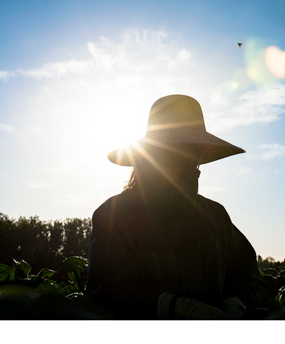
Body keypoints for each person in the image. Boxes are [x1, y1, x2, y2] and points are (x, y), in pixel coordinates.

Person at [88, 95, 275, 319]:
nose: (185, 166)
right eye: (173, 156)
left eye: (191, 158)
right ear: (151, 158)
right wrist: (175, 307)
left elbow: (248, 278)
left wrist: (236, 301)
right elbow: (105, 291)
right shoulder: (113, 215)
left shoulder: (215, 216)